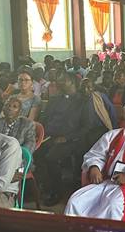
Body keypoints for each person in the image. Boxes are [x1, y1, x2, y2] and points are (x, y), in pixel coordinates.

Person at [65, 101, 125, 222]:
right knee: (76, 201)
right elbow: (95, 154)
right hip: (107, 181)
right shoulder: (112, 134)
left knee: (112, 204)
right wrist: (94, 166)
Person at [34, 73, 86, 206]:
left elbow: (86, 126)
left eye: (64, 80)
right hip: (49, 136)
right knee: (35, 152)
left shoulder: (82, 101)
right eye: (60, 80)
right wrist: (41, 133)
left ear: (73, 82)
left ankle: (57, 191)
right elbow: (45, 118)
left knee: (51, 157)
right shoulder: (55, 99)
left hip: (70, 139)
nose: (60, 82)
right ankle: (44, 185)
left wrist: (67, 138)